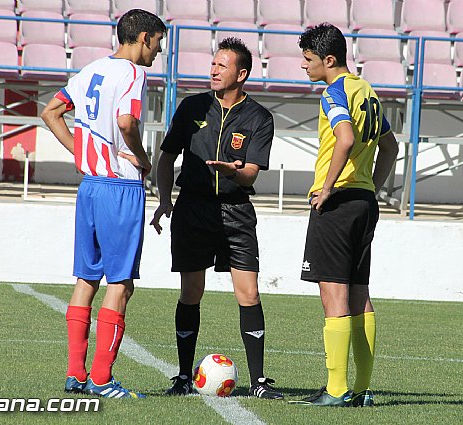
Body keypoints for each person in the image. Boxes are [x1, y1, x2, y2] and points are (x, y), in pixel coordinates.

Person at [41, 9, 166, 399]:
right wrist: (144, 159)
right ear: (144, 37)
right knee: (121, 284)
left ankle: (75, 375)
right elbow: (127, 123)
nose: (159, 50)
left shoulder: (91, 69)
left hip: (90, 187)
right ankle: (101, 379)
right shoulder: (132, 74)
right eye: (158, 41)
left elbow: (51, 111)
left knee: (86, 280)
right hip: (120, 187)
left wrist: (80, 151)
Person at [150, 37, 283, 400]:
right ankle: (181, 377)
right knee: (191, 292)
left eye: (222, 66)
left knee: (249, 293)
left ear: (241, 73)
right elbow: (166, 158)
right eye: (213, 64)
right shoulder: (192, 106)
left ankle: (258, 383)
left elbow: (251, 173)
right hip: (192, 209)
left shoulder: (259, 118)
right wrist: (164, 199)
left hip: (236, 210)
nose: (213, 70)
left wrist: (233, 172)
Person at [291, 23, 399, 407]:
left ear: (328, 60)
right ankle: (364, 389)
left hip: (336, 206)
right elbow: (390, 146)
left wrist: (330, 186)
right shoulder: (367, 91)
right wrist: (372, 186)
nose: (304, 66)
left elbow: (346, 138)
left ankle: (336, 389)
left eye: (308, 59)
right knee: (359, 296)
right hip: (365, 202)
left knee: (333, 296)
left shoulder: (334, 92)